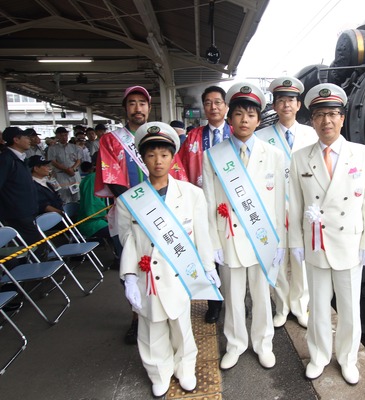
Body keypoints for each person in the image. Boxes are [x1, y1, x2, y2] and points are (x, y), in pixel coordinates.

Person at [116, 122, 220, 397]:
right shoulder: (128, 201)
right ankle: (158, 372)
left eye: (163, 154)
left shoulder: (192, 195)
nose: (158, 161)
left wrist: (208, 268)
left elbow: (202, 235)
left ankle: (185, 368)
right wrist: (128, 277)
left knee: (181, 324)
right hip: (147, 277)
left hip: (179, 273)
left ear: (173, 157)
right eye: (151, 155)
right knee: (152, 328)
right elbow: (128, 241)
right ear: (143, 158)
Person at [288, 83, 365, 385]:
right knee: (317, 307)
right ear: (311, 120)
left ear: (342, 118)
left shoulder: (364, 155)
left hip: (350, 244)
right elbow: (296, 205)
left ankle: (347, 359)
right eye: (319, 115)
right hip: (316, 246)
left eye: (332, 114)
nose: (326, 121)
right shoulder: (300, 157)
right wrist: (295, 244)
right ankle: (318, 356)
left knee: (350, 309)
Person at [94, 85, 188, 345]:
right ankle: (137, 317)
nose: (138, 108)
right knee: (134, 267)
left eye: (142, 103)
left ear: (149, 107)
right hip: (130, 216)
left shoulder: (161, 137)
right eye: (132, 103)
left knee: (165, 265)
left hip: (163, 215)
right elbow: (112, 178)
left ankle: (167, 312)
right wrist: (139, 206)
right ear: (125, 108)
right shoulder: (111, 141)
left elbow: (177, 175)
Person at [203, 82, 286, 370]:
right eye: (238, 114)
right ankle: (235, 344)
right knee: (233, 297)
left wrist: (280, 242)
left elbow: (279, 203)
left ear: (259, 119)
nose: (245, 120)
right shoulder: (214, 155)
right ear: (229, 118)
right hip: (229, 240)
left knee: (262, 296)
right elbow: (209, 203)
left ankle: (263, 343)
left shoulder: (272, 154)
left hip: (262, 238)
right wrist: (213, 243)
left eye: (251, 114)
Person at [255, 76, 318, 329]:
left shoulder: (311, 134)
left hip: (303, 207)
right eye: (281, 100)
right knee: (278, 260)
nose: (286, 106)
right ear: (274, 105)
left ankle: (300, 306)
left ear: (298, 104)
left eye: (290, 100)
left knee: (301, 260)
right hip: (275, 208)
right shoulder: (261, 137)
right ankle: (281, 307)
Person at [179, 85, 231, 324]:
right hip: (202, 206)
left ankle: (237, 301)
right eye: (208, 102)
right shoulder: (193, 137)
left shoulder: (237, 132)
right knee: (208, 256)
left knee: (235, 257)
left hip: (234, 206)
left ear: (226, 106)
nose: (213, 107)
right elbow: (179, 169)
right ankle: (214, 304)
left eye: (218, 102)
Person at [0, 127, 43, 246]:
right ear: (16, 140)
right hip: (17, 212)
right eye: (26, 137)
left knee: (28, 245)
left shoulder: (20, 158)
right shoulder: (6, 159)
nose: (29, 140)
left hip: (28, 209)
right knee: (35, 245)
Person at [47, 126, 83, 203]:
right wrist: (66, 169)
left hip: (74, 174)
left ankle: (77, 213)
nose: (64, 137)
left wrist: (72, 168)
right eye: (61, 135)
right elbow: (53, 161)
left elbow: (79, 160)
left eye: (65, 135)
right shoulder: (52, 148)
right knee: (64, 196)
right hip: (61, 175)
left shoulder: (75, 147)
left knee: (77, 195)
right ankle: (67, 213)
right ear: (57, 136)